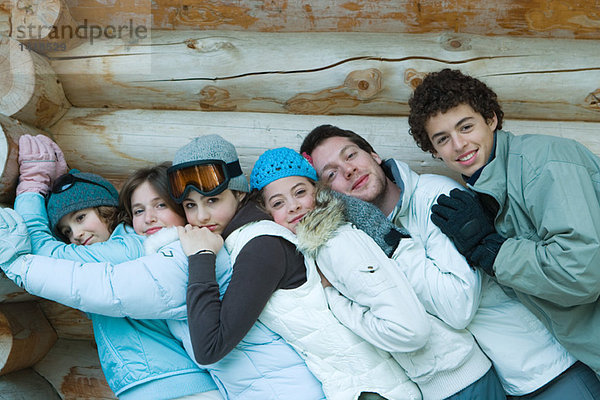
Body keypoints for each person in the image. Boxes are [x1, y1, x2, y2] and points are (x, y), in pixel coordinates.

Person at [0, 135, 326, 400]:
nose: (150, 218)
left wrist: (18, 254)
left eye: (160, 205)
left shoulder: (183, 252)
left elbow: (104, 287)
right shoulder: (189, 247)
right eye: (139, 210)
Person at [300, 125, 591, 397]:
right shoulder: (360, 238)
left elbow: (458, 307)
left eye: (351, 155)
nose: (349, 171)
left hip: (547, 368)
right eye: (331, 174)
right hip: (501, 381)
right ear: (328, 194)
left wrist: (392, 241)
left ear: (373, 155)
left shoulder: (436, 197)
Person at [250, 147, 504, 400]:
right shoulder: (321, 244)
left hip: (458, 381)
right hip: (448, 378)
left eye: (300, 192)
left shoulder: (336, 243)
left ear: (317, 192)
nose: (293, 207)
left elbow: (410, 330)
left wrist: (336, 302)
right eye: (278, 203)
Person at [407, 68, 600, 387]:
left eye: (465, 126)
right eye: (443, 139)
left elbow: (581, 273)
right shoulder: (485, 191)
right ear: (434, 152)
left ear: (491, 119)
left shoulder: (544, 165)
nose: (458, 144)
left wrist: (493, 250)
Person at [12, 134, 221, 400]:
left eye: (81, 217)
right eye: (66, 231)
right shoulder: (110, 254)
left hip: (173, 385)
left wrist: (33, 187)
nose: (75, 234)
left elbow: (46, 253)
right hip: (156, 384)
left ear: (108, 210)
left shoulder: (133, 246)